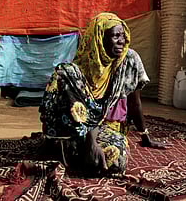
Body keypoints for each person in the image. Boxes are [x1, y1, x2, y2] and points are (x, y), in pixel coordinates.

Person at [39, 12, 166, 174]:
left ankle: (72, 153)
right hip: (80, 130)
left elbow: (135, 103)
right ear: (100, 39)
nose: (122, 41)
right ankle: (63, 145)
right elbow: (74, 108)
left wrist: (145, 135)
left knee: (115, 161)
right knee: (64, 72)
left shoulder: (130, 60)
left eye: (123, 35)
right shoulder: (83, 67)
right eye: (115, 36)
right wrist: (91, 143)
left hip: (109, 128)